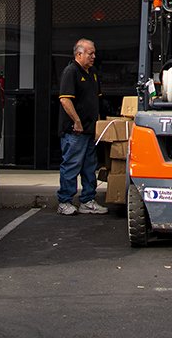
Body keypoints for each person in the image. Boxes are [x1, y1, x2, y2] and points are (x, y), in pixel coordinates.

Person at [56, 38, 108, 215]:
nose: (93, 56)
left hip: (89, 130)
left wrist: (98, 125)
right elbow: (65, 99)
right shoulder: (71, 72)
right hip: (75, 131)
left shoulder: (92, 72)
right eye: (90, 53)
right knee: (71, 165)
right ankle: (65, 201)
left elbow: (95, 100)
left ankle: (87, 200)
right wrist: (76, 121)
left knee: (89, 166)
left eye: (94, 53)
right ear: (78, 54)